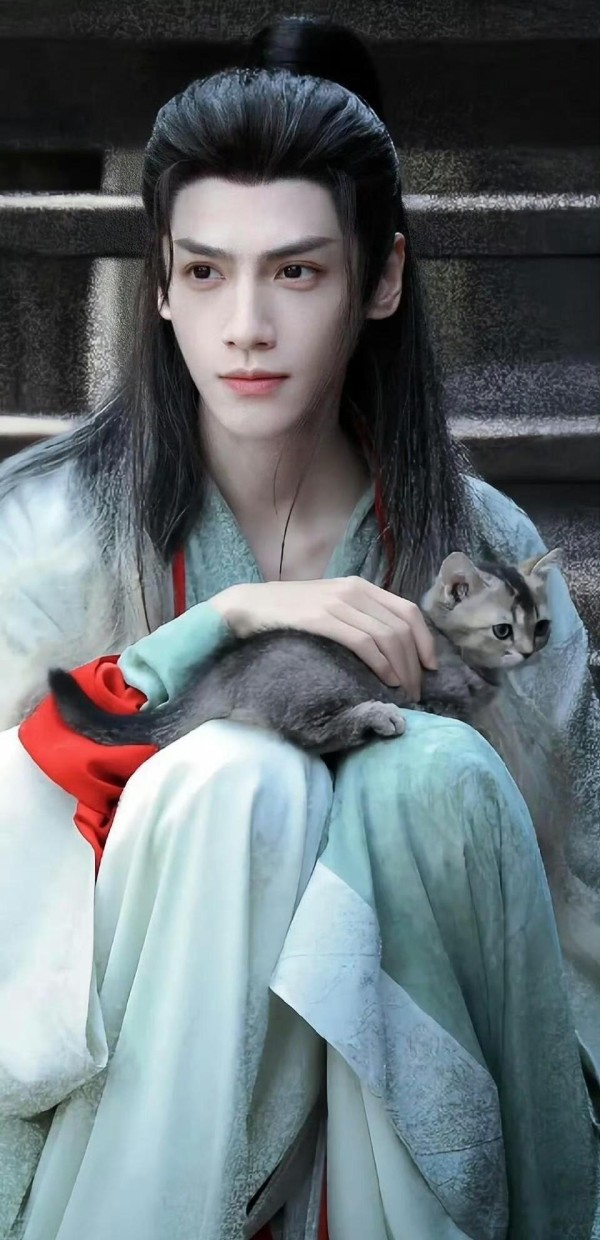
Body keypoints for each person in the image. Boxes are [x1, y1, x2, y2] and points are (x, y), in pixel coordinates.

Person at [0, 16, 599, 1240]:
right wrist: (226, 621)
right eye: (205, 272)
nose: (246, 327)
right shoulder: (46, 529)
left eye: (298, 272)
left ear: (382, 278)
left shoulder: (482, 549)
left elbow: (569, 894)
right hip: (134, 1085)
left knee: (426, 774)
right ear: (159, 283)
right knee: (234, 776)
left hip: (422, 1078)